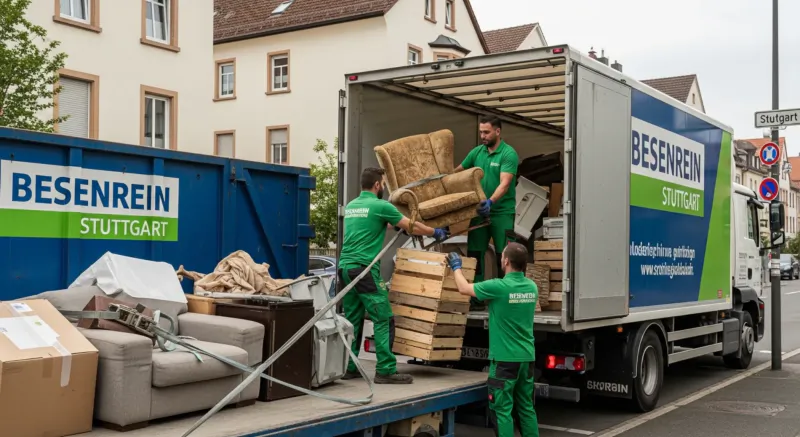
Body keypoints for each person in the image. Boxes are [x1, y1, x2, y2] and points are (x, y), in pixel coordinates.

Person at [339, 167, 449, 384]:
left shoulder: (353, 206)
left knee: (352, 319)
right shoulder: (381, 205)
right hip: (364, 270)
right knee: (384, 318)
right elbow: (409, 225)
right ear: (378, 185)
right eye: (383, 184)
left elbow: (384, 224)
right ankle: (386, 370)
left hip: (345, 268)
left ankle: (348, 367)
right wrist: (434, 231)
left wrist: (401, 226)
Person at [446, 243, 539, 437]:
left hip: (505, 361)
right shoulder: (532, 287)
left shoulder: (499, 287)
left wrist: (456, 267)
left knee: (502, 410)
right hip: (526, 359)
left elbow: (463, 288)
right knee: (526, 408)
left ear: (505, 261)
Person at [454, 115, 519, 289]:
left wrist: (490, 202)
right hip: (478, 212)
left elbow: (504, 184)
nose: (483, 136)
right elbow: (457, 173)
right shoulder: (476, 152)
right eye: (481, 132)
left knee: (505, 256)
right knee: (475, 254)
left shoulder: (508, 154)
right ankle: (477, 298)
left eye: (486, 132)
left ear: (498, 131)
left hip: (502, 213)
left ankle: (506, 294)